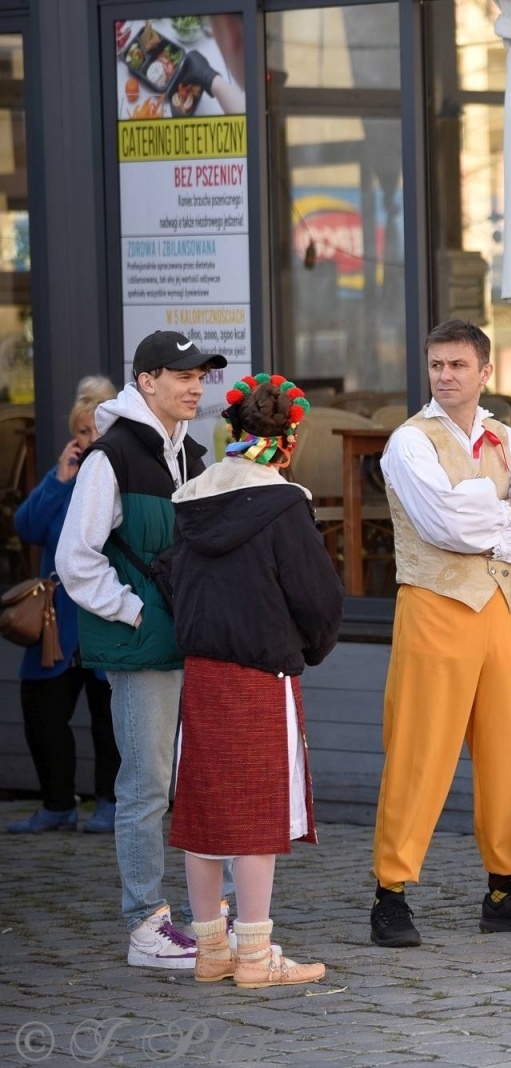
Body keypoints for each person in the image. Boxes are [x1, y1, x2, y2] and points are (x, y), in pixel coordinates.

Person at [369, 319, 511, 947]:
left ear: (485, 373)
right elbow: (446, 526)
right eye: (436, 365)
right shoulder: (409, 441)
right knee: (419, 749)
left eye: (457, 365)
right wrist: (505, 513)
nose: (445, 376)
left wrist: (492, 521)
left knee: (506, 750)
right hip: (433, 604)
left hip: (497, 607)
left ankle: (505, 887)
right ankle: (390, 892)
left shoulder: (508, 440)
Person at [162, 374, 342, 987]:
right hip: (262, 673)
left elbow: (174, 579)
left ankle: (211, 949)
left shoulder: (192, 498)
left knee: (204, 812)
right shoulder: (285, 504)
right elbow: (317, 597)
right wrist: (310, 647)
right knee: (256, 815)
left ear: (233, 431)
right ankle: (256, 957)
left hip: (202, 672)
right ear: (288, 440)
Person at [57, 330, 226, 969]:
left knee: (197, 781)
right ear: (147, 381)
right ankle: (146, 926)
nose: (195, 386)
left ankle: (212, 919)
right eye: (182, 375)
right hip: (141, 647)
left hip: (189, 641)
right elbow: (75, 558)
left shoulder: (189, 454)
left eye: (201, 376)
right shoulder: (112, 456)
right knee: (147, 787)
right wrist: (133, 612)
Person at [8, 376, 120, 835]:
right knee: (41, 709)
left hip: (106, 616)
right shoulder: (65, 479)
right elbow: (27, 527)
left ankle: (110, 802)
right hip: (58, 623)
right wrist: (58, 481)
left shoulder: (120, 474)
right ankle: (58, 805)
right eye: (81, 431)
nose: (87, 440)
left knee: (110, 717)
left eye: (95, 431)